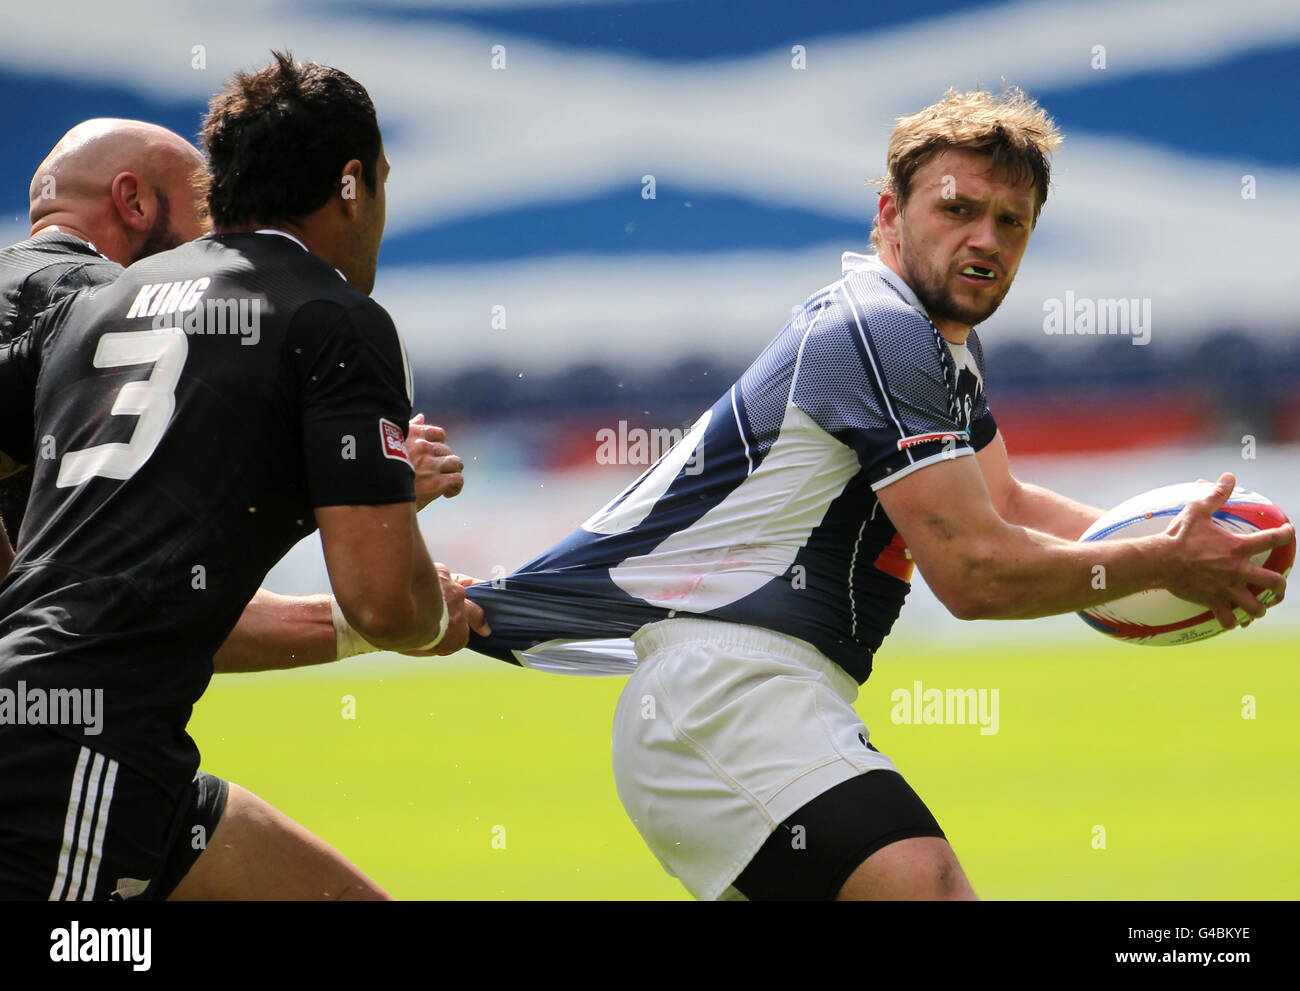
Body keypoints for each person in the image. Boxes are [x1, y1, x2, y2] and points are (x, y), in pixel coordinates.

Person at [464, 87, 1293, 901]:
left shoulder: (934, 350)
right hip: (725, 696)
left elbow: (1002, 505)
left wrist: (1204, 548)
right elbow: (975, 574)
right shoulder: (880, 328)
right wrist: (1161, 562)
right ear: (888, 216)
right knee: (927, 886)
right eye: (957, 208)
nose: (987, 238)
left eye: (1012, 221)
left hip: (750, 701)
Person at [0, 52, 485, 901]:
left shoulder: (99, 307)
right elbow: (386, 603)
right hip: (83, 760)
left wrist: (362, 485)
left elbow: (151, 549)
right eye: (381, 181)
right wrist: (436, 606)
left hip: (78, 732)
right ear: (349, 185)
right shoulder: (337, 317)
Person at [0, 119, 467, 673]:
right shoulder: (104, 311)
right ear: (133, 201)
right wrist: (361, 489)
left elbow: (141, 599)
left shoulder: (39, 304)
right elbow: (135, 599)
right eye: (205, 216)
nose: (213, 248)